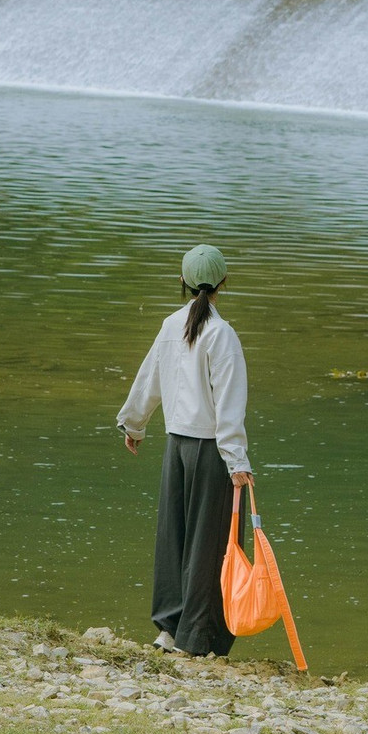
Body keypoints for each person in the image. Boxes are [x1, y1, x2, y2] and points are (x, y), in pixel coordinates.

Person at [116, 244, 254, 657]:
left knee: (174, 536)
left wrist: (134, 424)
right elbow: (229, 406)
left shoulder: (170, 325)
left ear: (182, 281)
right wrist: (238, 462)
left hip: (176, 446)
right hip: (211, 453)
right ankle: (197, 640)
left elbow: (149, 380)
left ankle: (169, 629)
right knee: (208, 544)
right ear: (223, 285)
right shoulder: (222, 335)